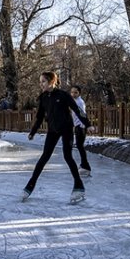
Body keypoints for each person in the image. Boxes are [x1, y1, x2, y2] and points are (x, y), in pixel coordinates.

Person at [22, 71, 93, 204]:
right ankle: (30, 185)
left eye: (43, 81)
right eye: (40, 82)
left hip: (66, 128)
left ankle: (78, 185)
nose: (41, 84)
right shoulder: (43, 97)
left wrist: (87, 124)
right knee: (44, 157)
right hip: (52, 130)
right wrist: (33, 131)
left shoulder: (63, 95)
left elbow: (78, 110)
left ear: (51, 82)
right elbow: (39, 117)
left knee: (67, 156)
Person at [70, 85, 91, 177]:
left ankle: (85, 166)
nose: (73, 94)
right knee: (79, 146)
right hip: (78, 125)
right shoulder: (74, 101)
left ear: (79, 93)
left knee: (80, 146)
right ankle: (84, 165)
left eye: (75, 92)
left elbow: (83, 114)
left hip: (81, 126)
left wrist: (85, 126)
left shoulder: (79, 102)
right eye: (72, 92)